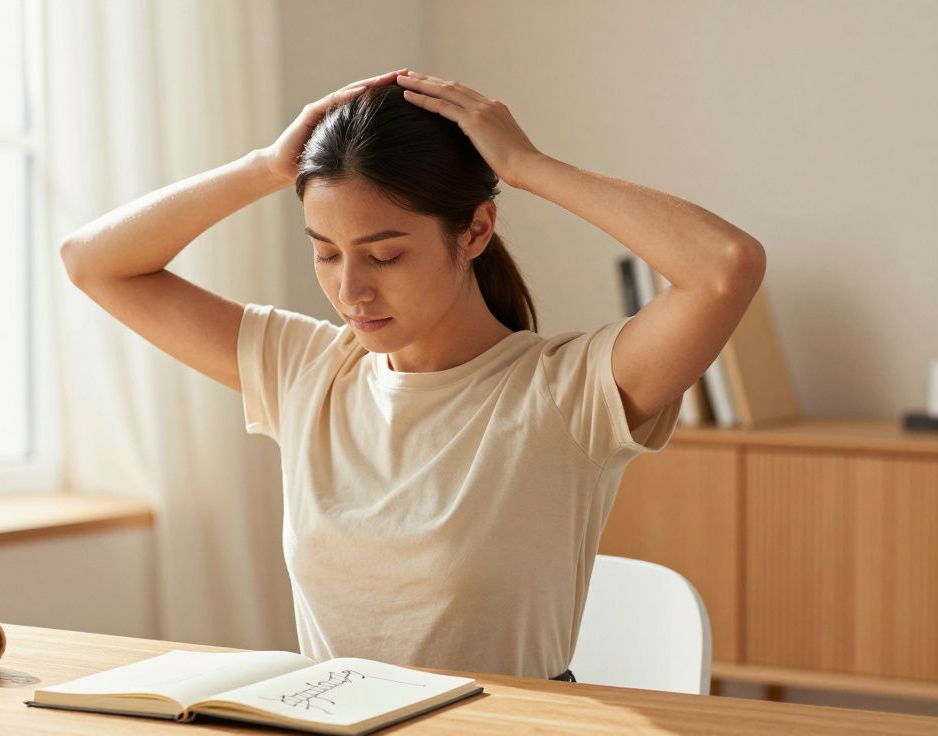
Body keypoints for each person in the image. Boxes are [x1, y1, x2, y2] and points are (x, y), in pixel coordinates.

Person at [59, 68, 765, 682]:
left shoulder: (567, 392)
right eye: (327, 253)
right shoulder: (304, 370)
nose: (351, 291)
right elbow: (93, 261)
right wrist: (266, 167)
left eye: (385, 255)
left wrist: (526, 165)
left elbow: (724, 266)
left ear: (476, 231)